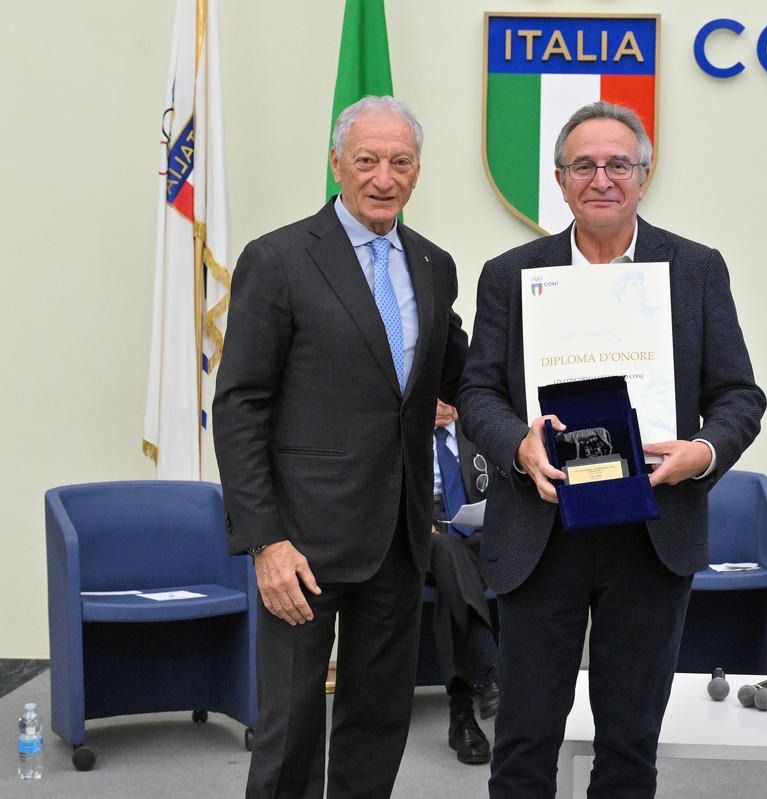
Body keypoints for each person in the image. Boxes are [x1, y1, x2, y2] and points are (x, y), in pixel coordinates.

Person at [457, 101, 766, 797]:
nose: (602, 179)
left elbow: (738, 397)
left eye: (618, 164)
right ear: (560, 180)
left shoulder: (695, 269)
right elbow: (477, 393)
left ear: (644, 176)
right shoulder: (510, 273)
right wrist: (518, 446)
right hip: (541, 531)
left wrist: (702, 452)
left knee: (629, 747)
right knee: (524, 743)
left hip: (651, 533)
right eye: (584, 166)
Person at [213, 96, 467, 798]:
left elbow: (460, 373)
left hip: (399, 536)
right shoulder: (278, 258)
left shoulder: (434, 263)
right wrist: (265, 541)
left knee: (378, 720)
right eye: (367, 160)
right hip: (301, 543)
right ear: (336, 164)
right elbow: (239, 406)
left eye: (400, 161)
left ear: (417, 171)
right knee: (290, 728)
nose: (384, 177)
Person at [427, 399, 499, 765]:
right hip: (426, 535)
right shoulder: (403, 434)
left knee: (452, 582)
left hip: (476, 536)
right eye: (434, 393)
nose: (442, 403)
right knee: (445, 552)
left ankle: (462, 716)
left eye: (448, 393)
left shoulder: (478, 433)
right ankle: (489, 672)